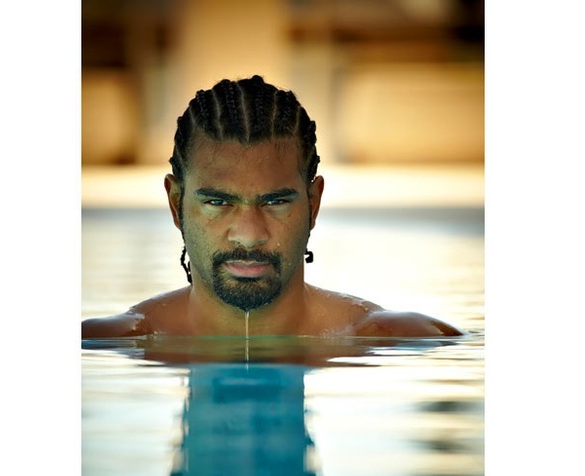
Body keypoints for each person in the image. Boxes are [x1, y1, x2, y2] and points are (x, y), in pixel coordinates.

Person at [82, 75, 462, 339]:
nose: (249, 235)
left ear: (313, 204)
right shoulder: (109, 342)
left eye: (276, 201)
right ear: (175, 203)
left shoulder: (397, 339)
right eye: (218, 202)